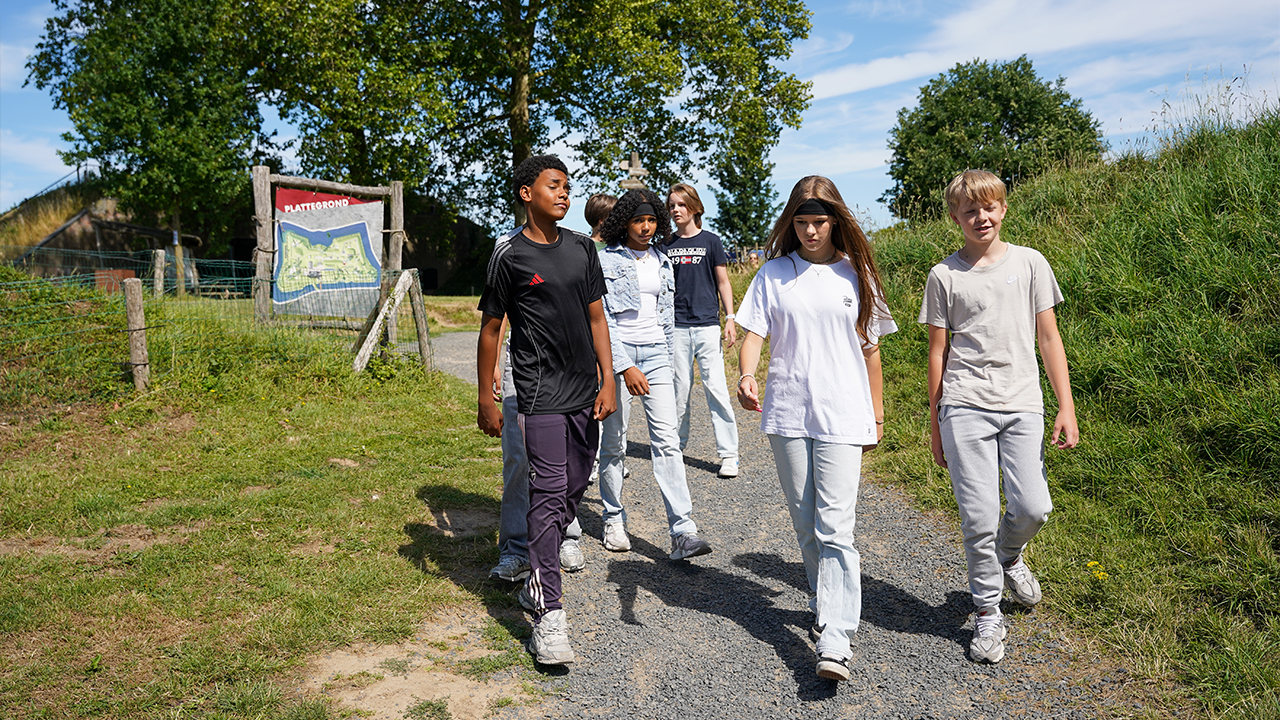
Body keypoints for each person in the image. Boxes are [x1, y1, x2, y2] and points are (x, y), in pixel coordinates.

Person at [736, 176, 896, 682]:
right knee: (806, 523)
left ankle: (836, 636)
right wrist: (745, 374)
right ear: (792, 222)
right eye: (802, 222)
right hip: (787, 413)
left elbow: (871, 352)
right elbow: (753, 334)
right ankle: (823, 597)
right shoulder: (773, 274)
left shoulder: (857, 274)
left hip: (844, 413)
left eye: (819, 222)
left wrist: (877, 416)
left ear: (835, 221)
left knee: (835, 526)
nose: (810, 231)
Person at [920, 169, 1079, 664]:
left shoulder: (1030, 263)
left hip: (1023, 402)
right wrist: (935, 424)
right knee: (978, 515)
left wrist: (1066, 405)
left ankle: (1008, 555)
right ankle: (988, 611)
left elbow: (1049, 338)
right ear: (955, 217)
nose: (981, 217)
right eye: (970, 210)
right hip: (964, 403)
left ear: (1003, 209)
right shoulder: (944, 275)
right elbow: (938, 352)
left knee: (1033, 507)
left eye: (989, 207)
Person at [476, 154, 617, 665]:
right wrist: (485, 395)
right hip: (537, 392)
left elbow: (597, 318)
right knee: (549, 489)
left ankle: (539, 565)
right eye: (554, 186)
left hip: (584, 390)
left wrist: (608, 379)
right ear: (526, 193)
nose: (564, 194)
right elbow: (491, 328)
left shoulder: (581, 248)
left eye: (567, 187)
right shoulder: (509, 254)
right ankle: (548, 613)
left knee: (574, 485)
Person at [597, 188, 713, 561]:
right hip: (619, 358)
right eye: (638, 221)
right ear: (624, 223)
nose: (646, 227)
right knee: (614, 443)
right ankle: (613, 519)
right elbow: (602, 320)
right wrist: (623, 366)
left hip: (657, 355)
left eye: (651, 220)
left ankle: (683, 531)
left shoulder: (663, 260)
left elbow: (666, 315)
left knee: (667, 442)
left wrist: (664, 356)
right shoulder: (605, 260)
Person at [665, 183, 740, 477]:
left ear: (694, 207)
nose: (676, 210)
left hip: (707, 325)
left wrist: (730, 318)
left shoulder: (711, 241)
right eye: (672, 205)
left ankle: (729, 455)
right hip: (676, 327)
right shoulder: (665, 244)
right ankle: (675, 448)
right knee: (679, 391)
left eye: (681, 204)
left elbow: (723, 282)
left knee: (716, 389)